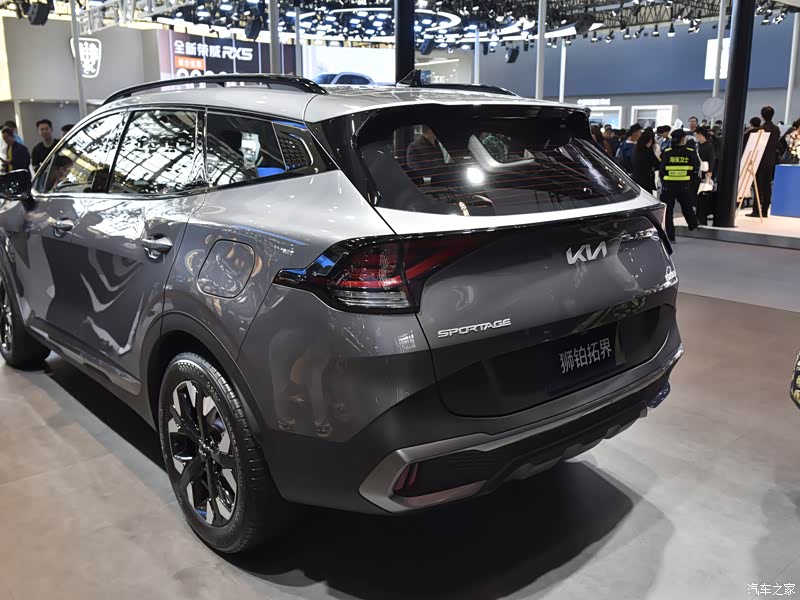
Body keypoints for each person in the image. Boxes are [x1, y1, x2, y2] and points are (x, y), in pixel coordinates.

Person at [659, 129, 699, 242]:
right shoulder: (690, 152)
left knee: (668, 212)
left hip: (668, 187)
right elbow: (695, 168)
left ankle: (671, 237)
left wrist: (664, 183)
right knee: (687, 206)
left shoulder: (667, 152)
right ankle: (693, 226)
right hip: (684, 186)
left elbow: (662, 170)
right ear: (683, 139)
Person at [747, 106, 781, 218]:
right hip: (771, 160)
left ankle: (756, 210)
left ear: (762, 116)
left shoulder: (760, 129)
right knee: (767, 185)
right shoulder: (776, 129)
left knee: (758, 185)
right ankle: (765, 210)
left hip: (760, 160)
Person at [695, 126, 717, 225]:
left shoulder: (709, 145)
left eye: (697, 134)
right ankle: (699, 215)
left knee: (704, 194)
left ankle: (703, 216)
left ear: (701, 134)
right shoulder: (697, 145)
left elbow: (712, 159)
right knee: (698, 195)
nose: (696, 136)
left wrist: (710, 171)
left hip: (705, 173)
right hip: (698, 173)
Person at [632, 128, 659, 194]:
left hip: (636, 178)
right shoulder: (647, 151)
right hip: (646, 180)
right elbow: (657, 164)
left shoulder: (636, 149)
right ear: (650, 140)